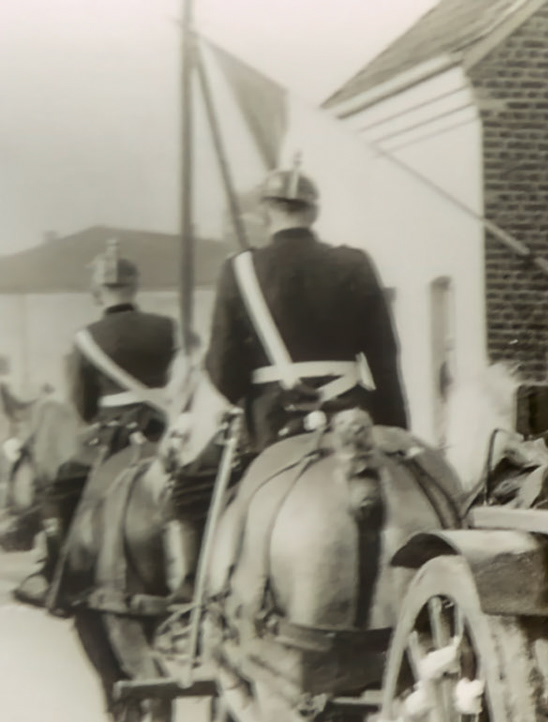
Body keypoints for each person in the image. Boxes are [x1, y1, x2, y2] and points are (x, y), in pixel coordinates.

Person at [169, 163, 408, 590]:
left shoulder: (239, 270)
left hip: (271, 423)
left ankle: (194, 595)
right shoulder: (355, 263)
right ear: (313, 213)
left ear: (266, 212)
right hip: (354, 418)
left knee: (188, 489)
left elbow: (225, 375)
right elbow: (385, 358)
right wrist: (394, 430)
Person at [14, 242, 180, 608]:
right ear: (135, 288)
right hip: (166, 434)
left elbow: (83, 406)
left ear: (97, 293)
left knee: (60, 490)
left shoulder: (86, 338)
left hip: (116, 438)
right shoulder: (168, 328)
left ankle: (55, 577)